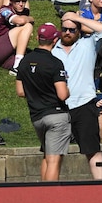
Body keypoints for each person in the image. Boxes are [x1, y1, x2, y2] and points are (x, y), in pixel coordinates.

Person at [52, 12, 102, 179]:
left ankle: (101, 188)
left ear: (79, 31)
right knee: (54, 154)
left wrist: (76, 18)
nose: (68, 32)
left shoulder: (87, 44)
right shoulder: (53, 49)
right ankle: (50, 190)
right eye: (64, 29)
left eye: (72, 29)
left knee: (92, 150)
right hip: (60, 107)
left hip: (84, 105)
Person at [16, 23, 71, 181]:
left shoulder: (24, 62)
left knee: (47, 156)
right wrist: (68, 90)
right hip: (56, 115)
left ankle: (42, 193)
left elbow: (20, 92)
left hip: (37, 116)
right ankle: (50, 197)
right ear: (55, 40)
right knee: (54, 159)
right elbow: (62, 95)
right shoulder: (55, 63)